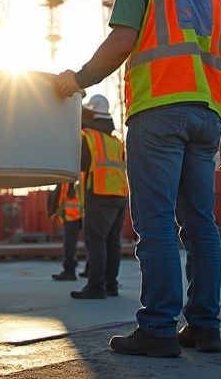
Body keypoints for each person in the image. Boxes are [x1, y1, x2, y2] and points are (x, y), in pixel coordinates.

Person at [53, 0, 221, 358]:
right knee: (201, 224)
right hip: (208, 118)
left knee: (155, 222)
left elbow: (122, 41)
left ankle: (158, 328)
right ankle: (204, 328)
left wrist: (79, 79)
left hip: (158, 112)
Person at [70, 94, 130, 300]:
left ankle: (96, 286)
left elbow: (81, 165)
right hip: (120, 195)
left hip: (99, 193)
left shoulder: (88, 137)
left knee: (96, 241)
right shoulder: (116, 141)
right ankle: (110, 285)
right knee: (113, 242)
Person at [48, 180, 83, 280]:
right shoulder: (78, 174)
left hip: (73, 214)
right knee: (93, 243)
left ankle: (69, 271)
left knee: (69, 245)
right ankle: (90, 270)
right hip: (81, 213)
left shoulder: (70, 175)